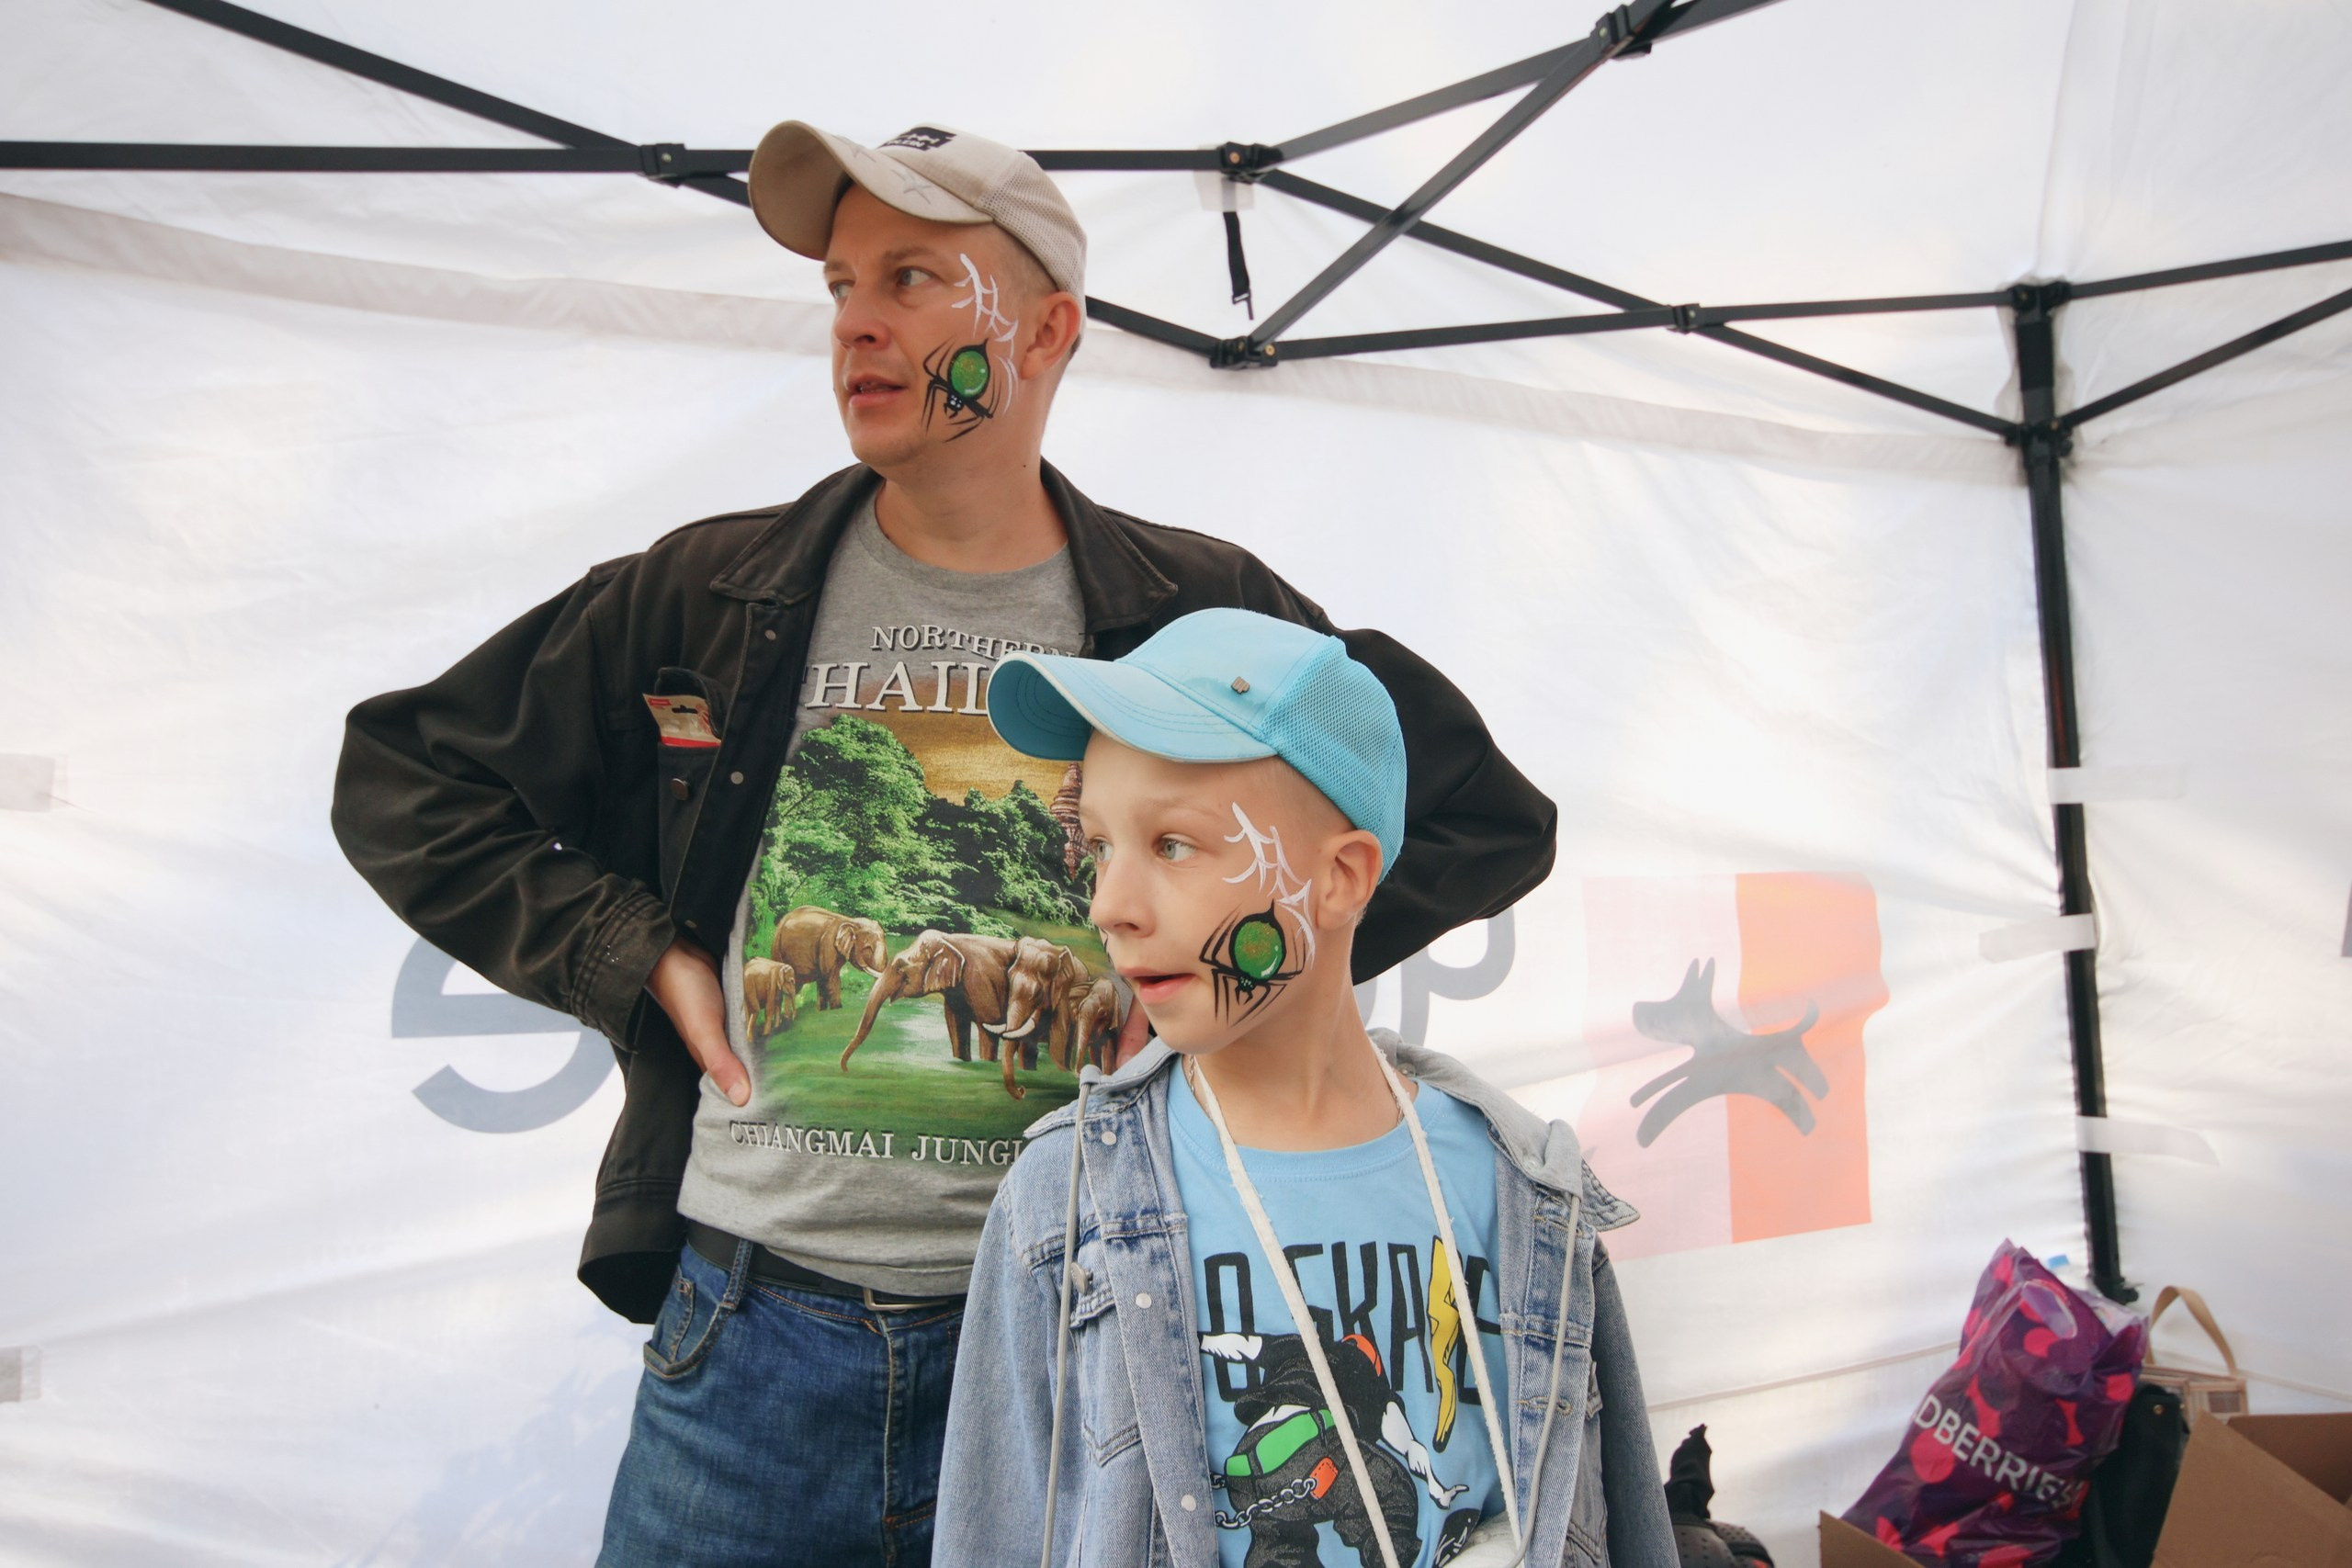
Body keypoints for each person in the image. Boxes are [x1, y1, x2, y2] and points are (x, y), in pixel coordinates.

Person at [331, 121, 1557, 1568]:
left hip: (1088, 1339)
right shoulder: (703, 594)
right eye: (844, 282)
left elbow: (1475, 814)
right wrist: (632, 952)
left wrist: (1217, 991)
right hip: (750, 1346)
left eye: (914, 277)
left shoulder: (1198, 613)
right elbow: (407, 771)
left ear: (1043, 331)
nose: (858, 316)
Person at [937, 608, 1674, 1567]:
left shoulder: (1526, 1196)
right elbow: (995, 1529)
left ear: (1340, 879)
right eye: (1101, 844)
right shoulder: (1065, 1196)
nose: (1110, 907)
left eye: (1172, 846)